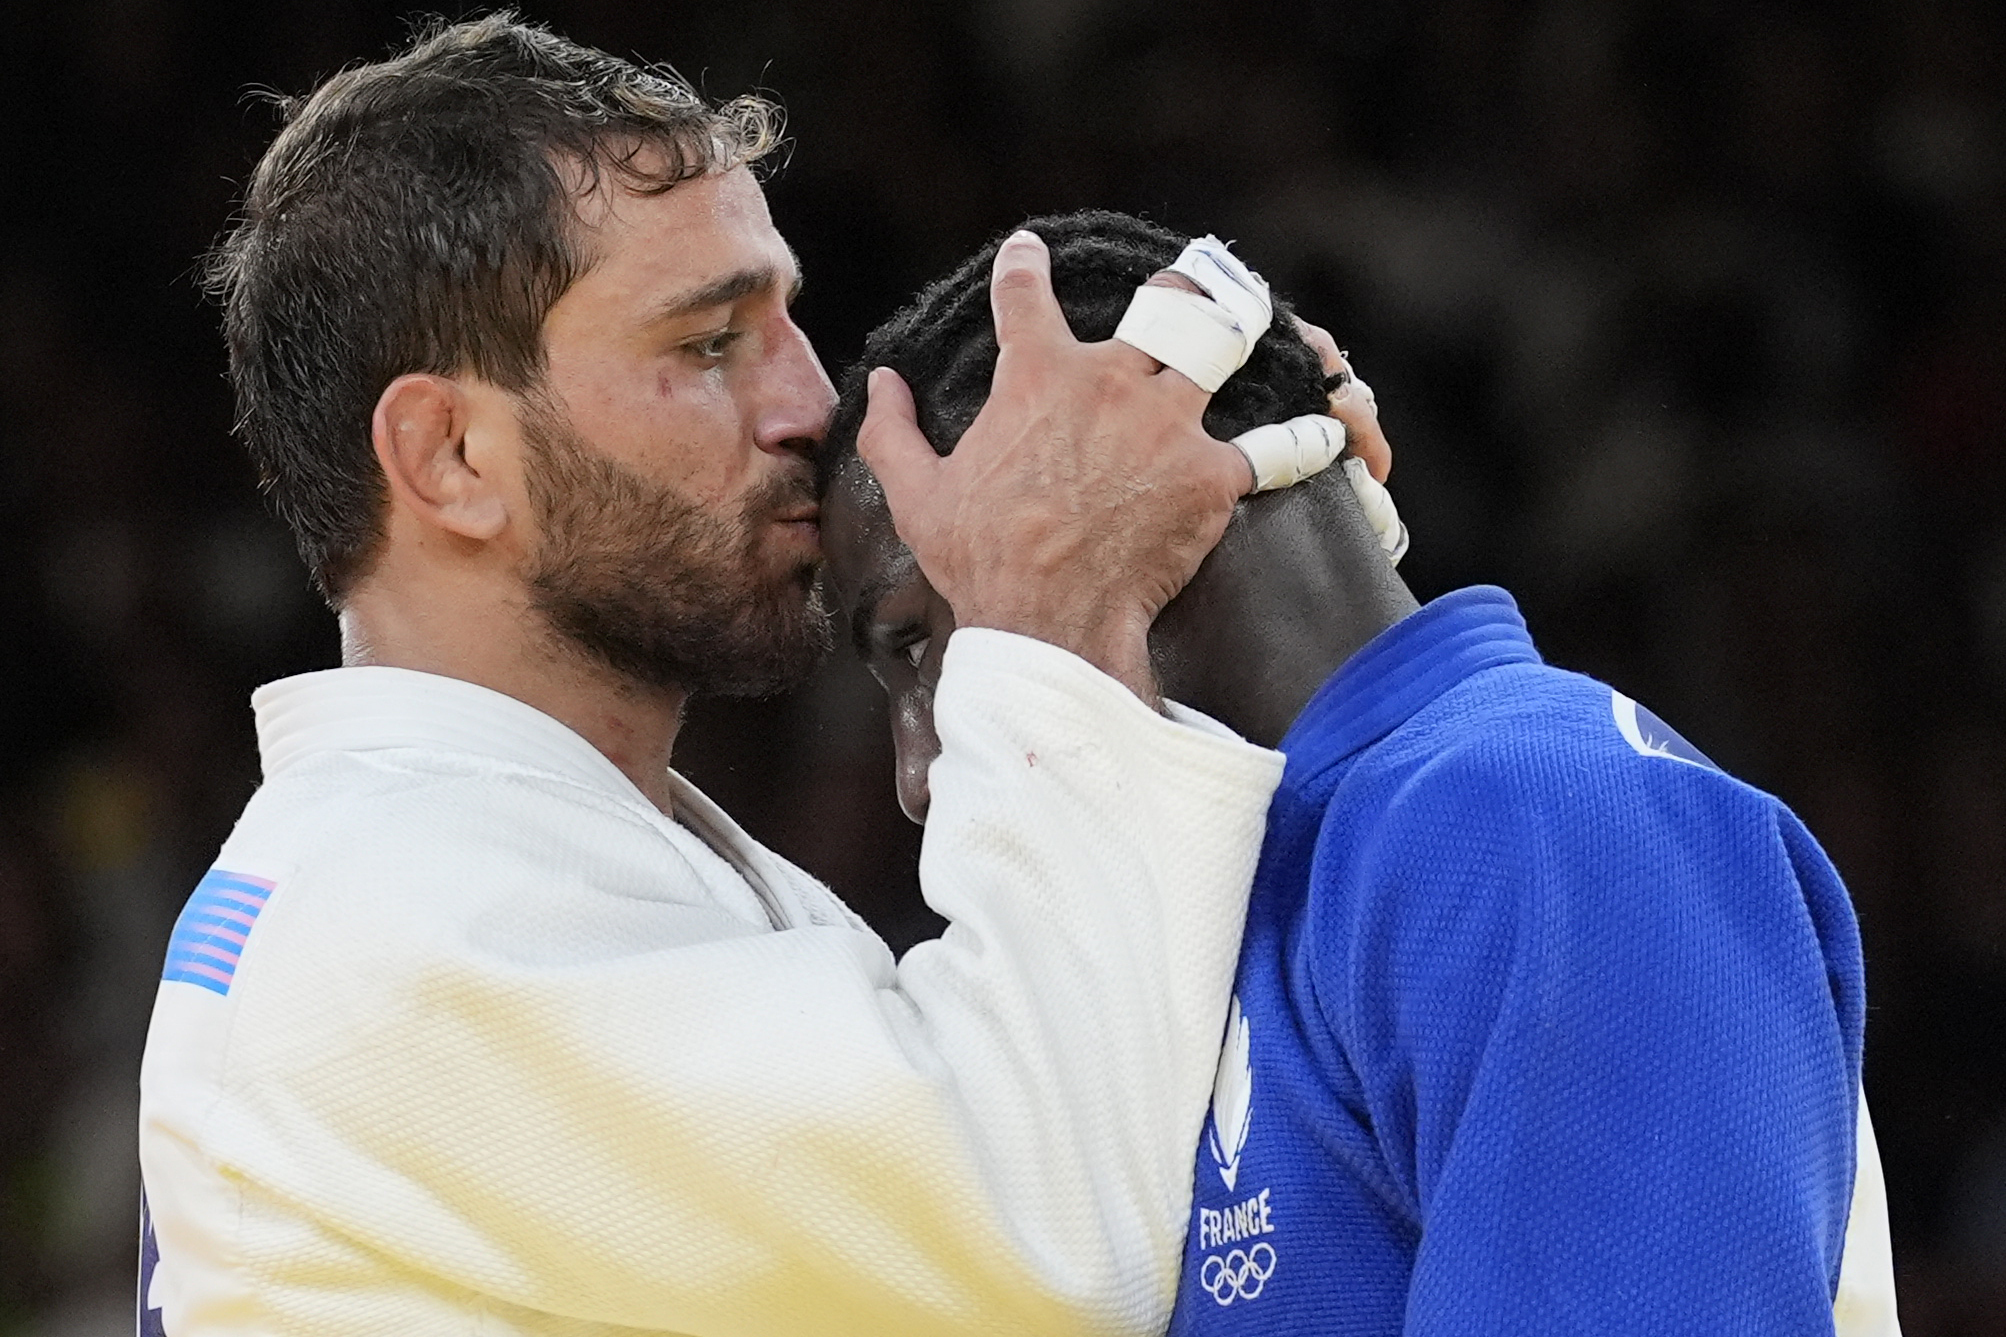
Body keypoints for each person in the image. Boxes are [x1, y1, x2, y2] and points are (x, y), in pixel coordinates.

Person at [138, 20, 1295, 1337]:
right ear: (451, 454)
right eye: (704, 344)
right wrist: (1053, 616)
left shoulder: (483, 854)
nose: (814, 400)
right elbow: (1062, 1246)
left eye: (785, 323)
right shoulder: (410, 916)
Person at [822, 209, 1902, 1336]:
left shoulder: (1534, 813)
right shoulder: (1207, 908)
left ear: (1082, 496)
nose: (915, 766)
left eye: (913, 644)